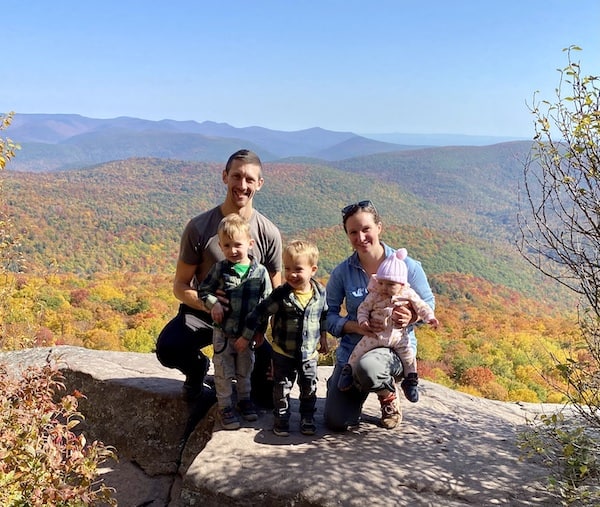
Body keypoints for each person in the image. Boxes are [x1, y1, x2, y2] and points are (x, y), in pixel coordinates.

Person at [155, 149, 282, 409]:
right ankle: (198, 368)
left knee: (268, 393)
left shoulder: (268, 233)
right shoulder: (200, 227)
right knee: (168, 348)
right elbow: (180, 286)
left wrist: (265, 331)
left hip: (247, 322)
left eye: (249, 179)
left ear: (260, 184)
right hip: (203, 315)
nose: (242, 185)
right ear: (225, 177)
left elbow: (277, 291)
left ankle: (236, 377)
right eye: (236, 176)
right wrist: (210, 304)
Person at [324, 200, 435, 431]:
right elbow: (328, 315)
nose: (361, 237)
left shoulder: (408, 266)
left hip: (394, 347)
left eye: (366, 229)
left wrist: (411, 316)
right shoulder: (343, 272)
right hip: (355, 347)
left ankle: (388, 398)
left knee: (369, 368)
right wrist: (354, 326)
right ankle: (344, 382)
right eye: (353, 232)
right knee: (337, 421)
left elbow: (428, 303)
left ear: (379, 228)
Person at [236, 240, 329, 437]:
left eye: (298, 269)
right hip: (282, 353)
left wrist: (324, 338)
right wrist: (247, 336)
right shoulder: (281, 295)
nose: (292, 274)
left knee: (309, 386)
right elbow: (258, 313)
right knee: (281, 387)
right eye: (287, 268)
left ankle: (307, 418)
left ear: (313, 270)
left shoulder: (320, 292)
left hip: (309, 354)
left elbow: (323, 315)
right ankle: (281, 418)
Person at [197, 214, 272, 429]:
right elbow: (204, 290)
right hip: (223, 332)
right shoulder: (220, 269)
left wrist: (260, 332)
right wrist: (214, 304)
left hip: (247, 335)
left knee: (245, 369)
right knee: (223, 369)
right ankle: (224, 406)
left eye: (237, 245)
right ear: (220, 246)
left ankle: (244, 400)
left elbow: (266, 305)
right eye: (227, 245)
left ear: (250, 244)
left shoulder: (260, 272)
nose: (233, 250)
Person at [337, 247, 439, 403]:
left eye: (390, 284)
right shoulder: (375, 293)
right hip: (375, 335)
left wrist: (426, 317)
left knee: (409, 357)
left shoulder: (407, 293)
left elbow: (423, 305)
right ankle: (347, 372)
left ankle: (410, 381)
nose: (384, 287)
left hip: (398, 337)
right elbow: (363, 308)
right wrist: (363, 322)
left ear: (401, 283)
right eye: (382, 282)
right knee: (358, 350)